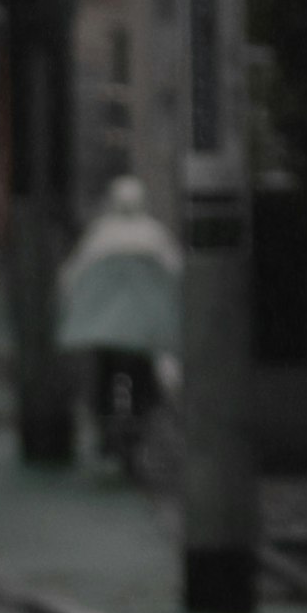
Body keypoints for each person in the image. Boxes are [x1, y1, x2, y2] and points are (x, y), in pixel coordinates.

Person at [55, 170, 181, 476]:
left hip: (105, 329)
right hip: (141, 331)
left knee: (101, 375)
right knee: (145, 380)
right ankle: (139, 426)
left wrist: (70, 308)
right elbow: (176, 271)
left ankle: (104, 426)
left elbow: (72, 276)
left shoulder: (101, 233)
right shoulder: (154, 234)